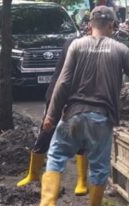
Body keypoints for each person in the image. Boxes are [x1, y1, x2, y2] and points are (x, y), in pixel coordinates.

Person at [26, 6, 129, 206]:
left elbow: (63, 83)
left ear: (90, 24)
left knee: (56, 155)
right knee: (99, 167)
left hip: (73, 114)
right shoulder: (120, 49)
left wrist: (51, 115)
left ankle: (47, 203)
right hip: (102, 118)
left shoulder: (77, 45)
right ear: (112, 26)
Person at [17, 35, 89, 196]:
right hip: (59, 92)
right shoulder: (74, 44)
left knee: (80, 133)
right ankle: (33, 174)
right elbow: (64, 79)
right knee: (46, 130)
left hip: (81, 96)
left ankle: (82, 181)